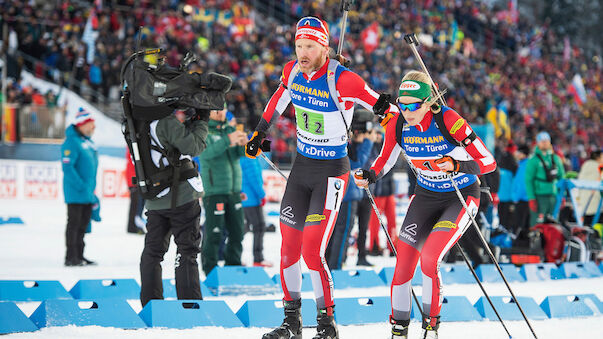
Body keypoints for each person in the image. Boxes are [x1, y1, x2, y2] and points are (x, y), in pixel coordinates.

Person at [244, 16, 397, 339]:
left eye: (309, 46)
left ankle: (327, 324)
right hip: (301, 170)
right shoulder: (292, 71)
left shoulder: (345, 80)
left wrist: (385, 147)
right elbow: (278, 99)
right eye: (299, 45)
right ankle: (291, 322)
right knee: (288, 248)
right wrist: (260, 132)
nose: (302, 52)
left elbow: (388, 111)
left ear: (324, 47)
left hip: (331, 172)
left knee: (312, 251)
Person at [354, 70, 496, 339]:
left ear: (429, 102)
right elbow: (385, 159)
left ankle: (431, 327)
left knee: (429, 259)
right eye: (402, 104)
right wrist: (369, 174)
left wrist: (457, 165)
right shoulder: (397, 123)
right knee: (403, 263)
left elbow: (488, 161)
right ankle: (399, 329)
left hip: (460, 195)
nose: (406, 111)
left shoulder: (449, 120)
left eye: (412, 106)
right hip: (426, 197)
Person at [139, 108, 209, 307]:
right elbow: (194, 147)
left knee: (153, 251)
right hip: (181, 195)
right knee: (187, 250)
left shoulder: (138, 122)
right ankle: (190, 305)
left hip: (154, 198)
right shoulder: (165, 121)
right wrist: (202, 121)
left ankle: (150, 304)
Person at [199, 106, 248, 275]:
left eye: (223, 109)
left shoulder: (230, 129)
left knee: (237, 232)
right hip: (214, 192)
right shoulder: (203, 130)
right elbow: (205, 154)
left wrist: (245, 144)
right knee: (214, 234)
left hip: (233, 191)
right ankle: (210, 270)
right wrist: (228, 139)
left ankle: (233, 268)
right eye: (216, 110)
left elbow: (241, 154)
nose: (221, 113)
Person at [325, 117, 375, 270]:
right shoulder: (344, 143)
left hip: (337, 191)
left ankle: (328, 264)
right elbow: (357, 163)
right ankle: (336, 266)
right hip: (346, 193)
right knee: (343, 230)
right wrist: (368, 142)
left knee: (334, 230)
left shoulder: (336, 139)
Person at [61, 108, 99, 267]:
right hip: (76, 193)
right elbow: (68, 168)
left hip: (87, 193)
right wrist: (81, 186)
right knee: (74, 224)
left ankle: (80, 255)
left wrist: (90, 190)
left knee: (83, 224)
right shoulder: (72, 142)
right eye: (91, 124)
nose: (93, 128)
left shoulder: (87, 142)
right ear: (82, 125)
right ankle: (71, 257)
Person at [240, 141, 272, 267]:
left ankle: (232, 253)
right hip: (251, 198)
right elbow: (254, 178)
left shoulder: (245, 155)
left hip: (246, 196)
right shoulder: (250, 157)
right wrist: (261, 195)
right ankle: (258, 258)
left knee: (245, 227)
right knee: (259, 226)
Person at [367, 129, 398, 258]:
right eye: (376, 134)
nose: (378, 137)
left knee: (392, 221)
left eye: (380, 135)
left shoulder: (386, 146)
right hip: (378, 191)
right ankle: (374, 246)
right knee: (374, 222)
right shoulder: (370, 148)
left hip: (388, 190)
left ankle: (393, 246)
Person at [525, 131, 565, 227]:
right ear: (538, 143)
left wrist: (562, 195)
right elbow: (528, 180)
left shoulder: (556, 159)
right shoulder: (533, 160)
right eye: (542, 141)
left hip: (553, 196)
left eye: (546, 141)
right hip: (539, 198)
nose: (544, 143)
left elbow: (562, 177)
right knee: (537, 225)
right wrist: (531, 198)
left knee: (554, 225)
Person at [577, 149, 603, 226]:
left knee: (587, 224)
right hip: (596, 203)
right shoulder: (599, 167)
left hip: (585, 202)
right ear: (598, 157)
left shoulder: (586, 165)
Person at [511, 144, 531, 239]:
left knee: (520, 225)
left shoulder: (525, 165)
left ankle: (519, 246)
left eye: (519, 152)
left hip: (523, 199)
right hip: (524, 199)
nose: (517, 154)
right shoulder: (523, 164)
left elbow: (522, 183)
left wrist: (516, 197)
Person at [125, 148, 146, 234]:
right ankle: (133, 227)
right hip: (134, 179)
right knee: (136, 204)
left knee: (139, 204)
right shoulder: (133, 145)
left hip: (137, 179)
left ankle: (135, 225)